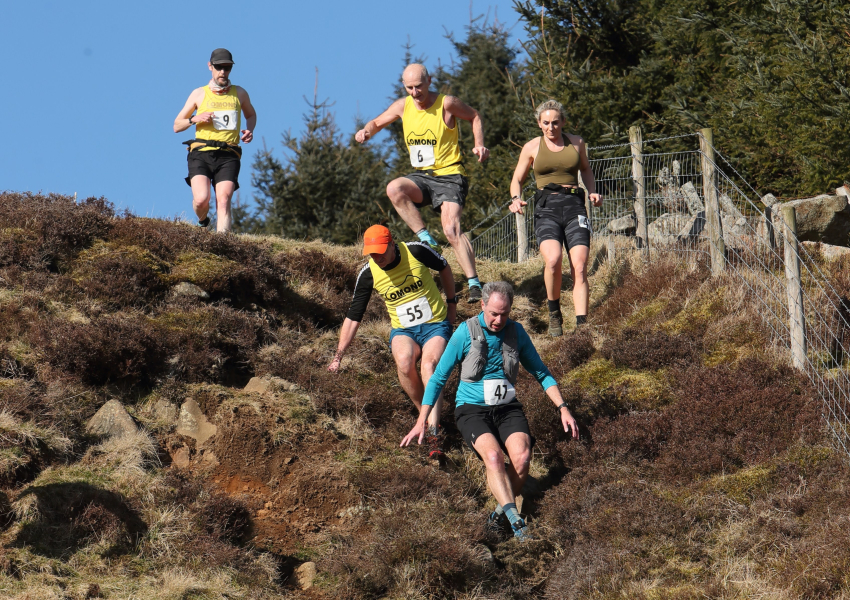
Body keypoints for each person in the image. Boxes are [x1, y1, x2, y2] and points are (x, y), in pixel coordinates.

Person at [401, 281, 579, 541]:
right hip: (471, 410)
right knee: (494, 458)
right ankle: (517, 523)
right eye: (493, 313)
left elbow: (541, 372)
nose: (498, 320)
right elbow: (439, 377)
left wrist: (563, 408)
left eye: (504, 314)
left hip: (507, 408)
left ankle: (499, 515)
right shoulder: (464, 332)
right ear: (482, 305)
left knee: (522, 457)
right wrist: (422, 420)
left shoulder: (517, 333)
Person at [354, 63, 488, 302]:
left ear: (429, 81)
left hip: (450, 175)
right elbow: (377, 122)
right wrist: (366, 131)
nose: (415, 93)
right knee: (394, 188)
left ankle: (474, 282)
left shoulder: (446, 103)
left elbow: (474, 115)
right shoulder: (402, 106)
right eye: (409, 88)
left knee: (451, 229)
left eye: (418, 87)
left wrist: (479, 143)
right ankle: (425, 237)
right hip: (423, 176)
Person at [329, 225, 458, 457]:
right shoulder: (368, 273)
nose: (377, 258)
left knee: (428, 365)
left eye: (380, 251)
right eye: (371, 253)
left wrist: (452, 304)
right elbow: (353, 317)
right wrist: (338, 356)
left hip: (435, 325)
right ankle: (427, 419)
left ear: (391, 244)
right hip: (403, 330)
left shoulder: (416, 251)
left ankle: (432, 434)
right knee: (404, 362)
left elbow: (444, 267)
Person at [508, 100, 602, 336]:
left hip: (574, 207)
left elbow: (586, 170)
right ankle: (554, 312)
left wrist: (592, 191)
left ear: (563, 122)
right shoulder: (531, 147)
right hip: (546, 207)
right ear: (539, 124)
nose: (551, 127)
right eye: (546, 123)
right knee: (553, 261)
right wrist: (515, 198)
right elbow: (517, 179)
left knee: (579, 267)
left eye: (556, 122)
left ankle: (582, 327)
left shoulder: (577, 142)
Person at [173, 48, 256, 233]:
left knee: (224, 199)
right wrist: (195, 118)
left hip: (229, 154)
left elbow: (251, 114)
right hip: (201, 153)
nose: (223, 72)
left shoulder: (239, 93)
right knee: (202, 200)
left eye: (227, 68)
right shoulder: (199, 94)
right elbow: (177, 125)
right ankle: (203, 221)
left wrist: (250, 130)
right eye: (219, 67)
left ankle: (222, 243)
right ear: (210, 66)